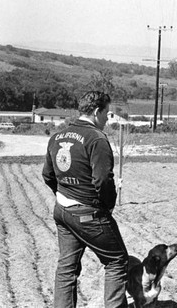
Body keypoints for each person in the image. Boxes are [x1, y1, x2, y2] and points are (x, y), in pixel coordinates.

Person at [42, 90, 128, 308]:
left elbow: (48, 175)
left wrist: (65, 194)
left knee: (67, 268)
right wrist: (107, 207)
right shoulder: (97, 139)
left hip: (62, 211)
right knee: (117, 261)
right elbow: (102, 181)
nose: (107, 119)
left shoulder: (56, 137)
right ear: (97, 111)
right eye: (107, 114)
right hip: (88, 213)